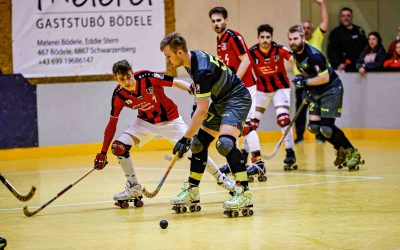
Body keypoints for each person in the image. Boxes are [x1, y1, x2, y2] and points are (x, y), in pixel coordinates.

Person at [93, 60, 235, 207]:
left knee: (195, 149)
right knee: (118, 147)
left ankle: (221, 178)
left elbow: (175, 82)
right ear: (115, 79)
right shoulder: (118, 95)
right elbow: (112, 124)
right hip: (144, 123)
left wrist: (192, 89)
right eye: (122, 79)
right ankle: (134, 187)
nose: (128, 82)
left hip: (171, 120)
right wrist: (103, 152)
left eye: (129, 76)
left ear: (132, 72)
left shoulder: (146, 77)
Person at [160, 32, 254, 215]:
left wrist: (184, 138)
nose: (168, 60)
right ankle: (192, 190)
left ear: (179, 53)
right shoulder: (192, 58)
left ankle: (244, 192)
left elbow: (202, 111)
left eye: (168, 56)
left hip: (236, 99)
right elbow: (201, 94)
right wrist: (195, 109)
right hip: (220, 101)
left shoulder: (200, 69)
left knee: (225, 144)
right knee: (197, 144)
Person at [288, 25, 364, 171]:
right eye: (290, 39)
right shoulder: (296, 52)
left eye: (296, 38)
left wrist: (304, 83)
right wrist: (306, 85)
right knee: (315, 127)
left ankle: (352, 152)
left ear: (303, 38)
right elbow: (309, 73)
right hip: (316, 91)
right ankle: (341, 150)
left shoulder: (313, 55)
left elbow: (324, 77)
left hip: (331, 89)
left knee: (327, 128)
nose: (293, 42)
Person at [208, 6, 264, 176]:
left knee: (246, 125)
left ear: (226, 20)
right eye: (213, 21)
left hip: (246, 86)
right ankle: (238, 164)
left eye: (219, 20)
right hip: (233, 88)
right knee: (234, 126)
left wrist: (234, 81)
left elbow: (246, 59)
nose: (216, 23)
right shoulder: (220, 39)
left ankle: (259, 163)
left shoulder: (233, 36)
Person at [248, 24, 297, 172]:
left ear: (272, 38)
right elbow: (243, 66)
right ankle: (244, 154)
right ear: (258, 38)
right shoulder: (252, 52)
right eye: (262, 37)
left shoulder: (279, 49)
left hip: (281, 88)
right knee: (251, 123)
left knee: (283, 119)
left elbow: (294, 59)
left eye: (268, 37)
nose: (265, 40)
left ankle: (290, 153)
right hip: (262, 90)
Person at [295, 0, 328, 144]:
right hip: (302, 80)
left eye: (308, 28)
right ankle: (300, 136)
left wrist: (322, 4)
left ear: (311, 29)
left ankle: (319, 135)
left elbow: (325, 21)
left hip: (317, 80)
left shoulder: (317, 37)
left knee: (318, 108)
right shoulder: (296, 43)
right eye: (303, 28)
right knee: (300, 109)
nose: (306, 30)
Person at [327, 7, 367, 72]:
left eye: (348, 16)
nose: (346, 18)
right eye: (343, 16)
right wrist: (338, 64)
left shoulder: (359, 30)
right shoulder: (335, 32)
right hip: (342, 67)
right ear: (340, 18)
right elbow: (331, 51)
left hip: (359, 67)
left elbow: (365, 48)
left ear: (352, 17)